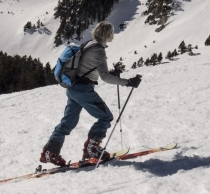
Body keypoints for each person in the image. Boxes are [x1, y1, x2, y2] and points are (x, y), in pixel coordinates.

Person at [41, 21, 142, 166]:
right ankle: (92, 150)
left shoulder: (89, 44)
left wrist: (112, 74)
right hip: (83, 90)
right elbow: (105, 77)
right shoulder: (99, 50)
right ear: (109, 34)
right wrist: (127, 82)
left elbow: (89, 68)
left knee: (68, 122)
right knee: (106, 117)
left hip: (73, 88)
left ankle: (50, 152)